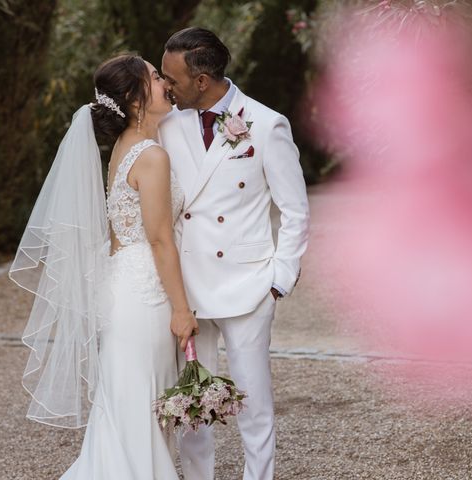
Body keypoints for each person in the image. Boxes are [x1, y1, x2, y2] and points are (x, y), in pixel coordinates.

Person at [10, 53, 199, 479]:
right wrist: (182, 308)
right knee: (139, 400)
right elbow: (159, 239)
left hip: (124, 285)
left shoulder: (124, 149)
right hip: (145, 292)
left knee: (129, 400)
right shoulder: (151, 156)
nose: (165, 81)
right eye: (155, 77)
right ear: (135, 98)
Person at [159, 27, 310, 480]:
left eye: (173, 79)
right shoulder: (168, 124)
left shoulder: (266, 124)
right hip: (189, 287)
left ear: (201, 80)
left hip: (248, 286)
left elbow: (295, 210)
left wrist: (278, 281)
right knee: (192, 403)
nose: (166, 86)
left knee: (253, 401)